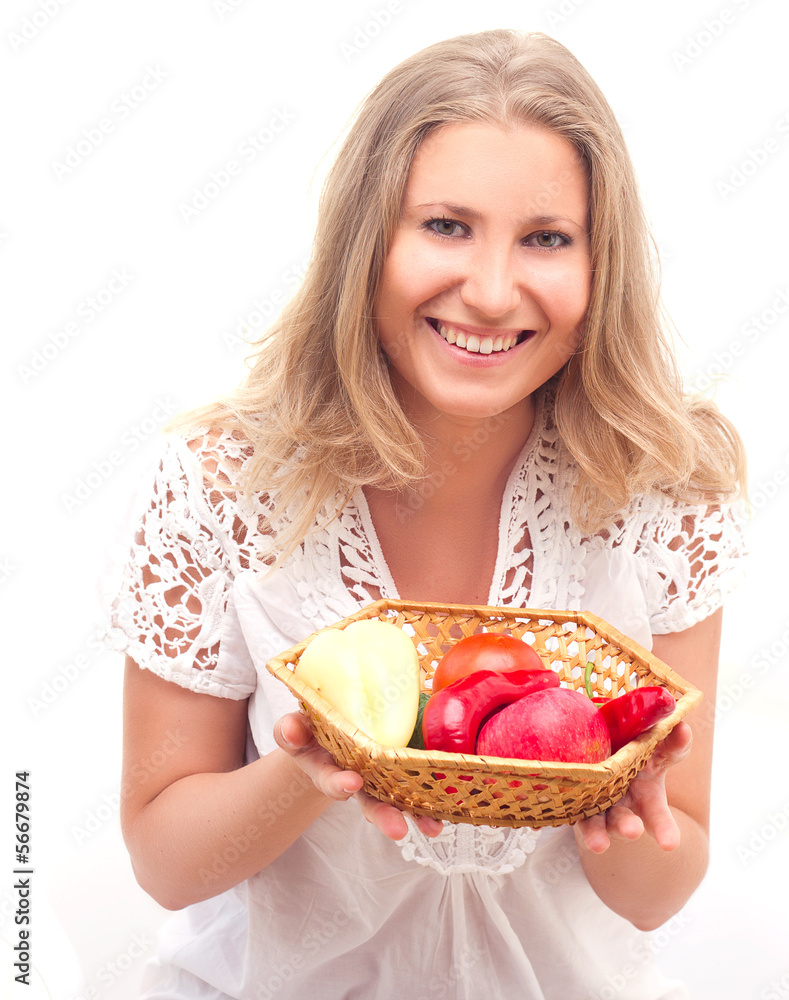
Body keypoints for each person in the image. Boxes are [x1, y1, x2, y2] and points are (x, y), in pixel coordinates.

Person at [108, 28, 748, 1000]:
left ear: (598, 262)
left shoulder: (664, 486)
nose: (491, 293)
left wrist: (621, 807)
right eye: (445, 225)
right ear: (369, 242)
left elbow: (661, 889)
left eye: (545, 238)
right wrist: (311, 767)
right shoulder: (220, 482)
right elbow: (164, 861)